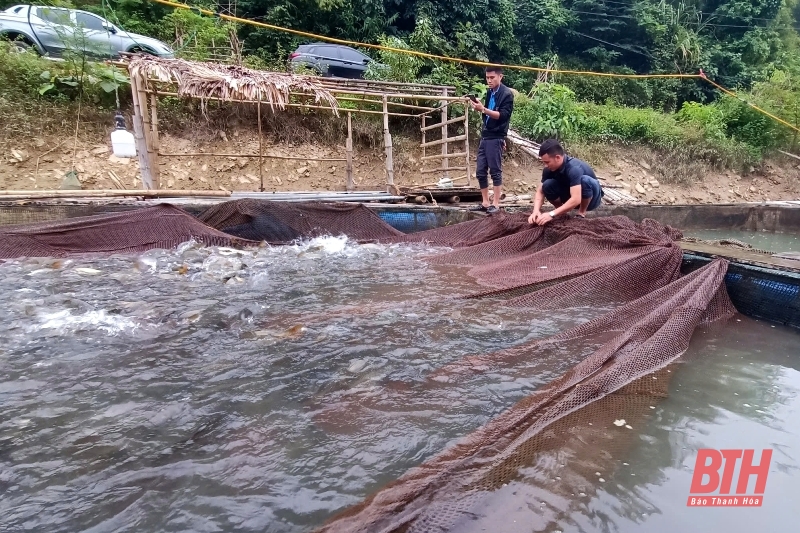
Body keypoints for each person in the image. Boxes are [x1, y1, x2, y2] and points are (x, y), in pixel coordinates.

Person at [469, 66, 514, 214]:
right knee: (481, 170)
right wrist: (480, 107)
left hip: (496, 136)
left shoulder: (507, 94)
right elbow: (487, 111)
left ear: (500, 77)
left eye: (492, 78)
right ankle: (485, 202)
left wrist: (483, 109)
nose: (489, 80)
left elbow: (503, 115)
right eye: (487, 78)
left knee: (495, 170)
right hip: (486, 135)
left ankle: (496, 203)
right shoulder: (490, 92)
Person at [528, 139, 603, 225]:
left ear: (558, 158)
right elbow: (540, 192)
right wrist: (536, 211)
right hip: (569, 196)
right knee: (547, 184)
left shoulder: (574, 168)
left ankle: (581, 213)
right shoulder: (548, 170)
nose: (545, 165)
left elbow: (576, 199)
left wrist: (551, 214)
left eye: (547, 162)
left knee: (585, 180)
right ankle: (562, 212)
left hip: (591, 200)